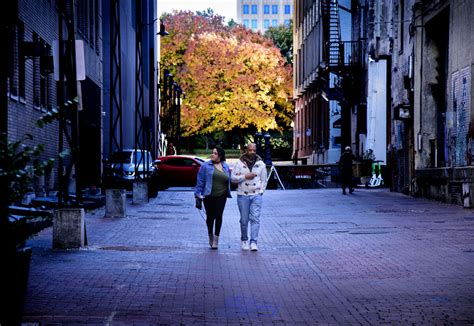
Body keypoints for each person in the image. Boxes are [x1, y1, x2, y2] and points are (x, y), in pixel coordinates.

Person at [231, 143, 267, 251]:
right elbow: (232, 178)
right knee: (244, 220)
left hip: (256, 195)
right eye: (250, 150)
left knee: (255, 219)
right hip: (243, 195)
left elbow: (264, 180)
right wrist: (245, 176)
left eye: (254, 150)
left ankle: (254, 242)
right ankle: (244, 240)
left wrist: (261, 192)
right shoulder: (239, 163)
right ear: (246, 150)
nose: (252, 152)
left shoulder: (261, 164)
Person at [194, 146, 232, 249]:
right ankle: (210, 234)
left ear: (220, 155)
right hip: (209, 195)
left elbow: (229, 179)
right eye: (212, 153)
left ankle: (216, 239)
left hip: (222, 195)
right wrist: (197, 194)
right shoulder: (205, 166)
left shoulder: (225, 166)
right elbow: (200, 181)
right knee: (210, 217)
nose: (212, 155)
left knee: (219, 216)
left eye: (215, 153)